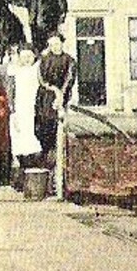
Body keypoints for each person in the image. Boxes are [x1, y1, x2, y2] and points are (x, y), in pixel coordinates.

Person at [36, 32, 76, 170]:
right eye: (51, 44)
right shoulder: (45, 59)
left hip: (61, 97)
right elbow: (41, 79)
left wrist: (61, 95)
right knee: (43, 126)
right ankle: (45, 159)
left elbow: (69, 80)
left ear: (62, 43)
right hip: (45, 96)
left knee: (57, 126)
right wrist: (52, 89)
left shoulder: (69, 60)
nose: (54, 47)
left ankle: (57, 162)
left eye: (57, 43)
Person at [6, 44, 44, 181]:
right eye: (24, 57)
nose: (27, 59)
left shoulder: (37, 70)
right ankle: (22, 175)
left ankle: (34, 174)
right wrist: (13, 110)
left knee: (33, 139)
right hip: (19, 109)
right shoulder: (15, 72)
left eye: (29, 56)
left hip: (33, 108)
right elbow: (10, 93)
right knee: (19, 140)